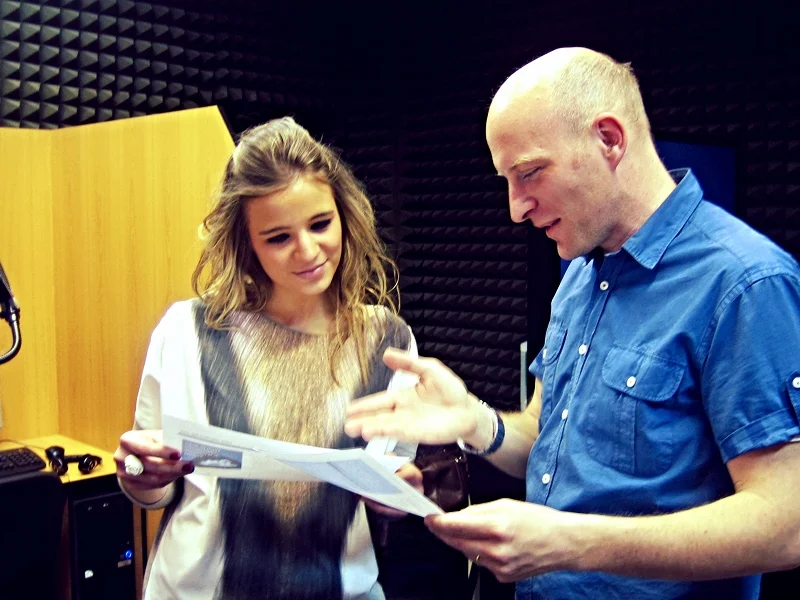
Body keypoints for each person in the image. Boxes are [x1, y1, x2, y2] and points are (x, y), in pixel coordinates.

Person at [345, 47, 800, 599]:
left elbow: (786, 524)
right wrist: (473, 420)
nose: (516, 208)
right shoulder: (581, 274)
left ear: (609, 139)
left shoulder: (745, 283)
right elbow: (542, 435)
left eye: (530, 173)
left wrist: (571, 543)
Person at [114, 116, 423, 600]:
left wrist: (398, 497)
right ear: (246, 244)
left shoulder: (388, 340)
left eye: (321, 224)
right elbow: (152, 490)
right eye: (278, 238)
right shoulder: (186, 331)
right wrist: (138, 474)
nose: (307, 251)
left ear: (344, 214)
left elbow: (392, 484)